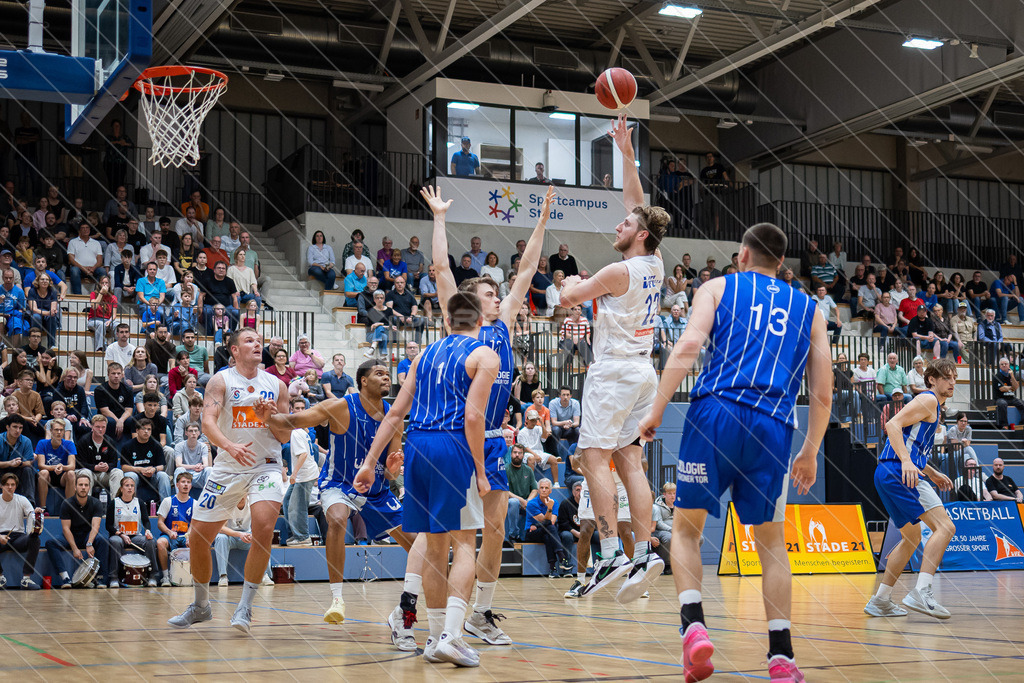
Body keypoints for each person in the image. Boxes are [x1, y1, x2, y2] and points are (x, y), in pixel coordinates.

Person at [638, 221, 831, 681]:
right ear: (781, 262)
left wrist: (655, 409)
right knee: (772, 546)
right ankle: (781, 656)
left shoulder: (718, 287)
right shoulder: (810, 308)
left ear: (742, 255)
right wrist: (810, 450)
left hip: (716, 414)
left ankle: (694, 626)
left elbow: (689, 344)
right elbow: (822, 391)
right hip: (773, 426)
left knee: (686, 531)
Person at [421, 181, 554, 647]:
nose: (499, 297)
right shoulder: (459, 325)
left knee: (493, 531)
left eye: (499, 293)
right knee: (451, 535)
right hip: (457, 438)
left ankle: (481, 614)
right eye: (490, 293)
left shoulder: (504, 325)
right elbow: (441, 268)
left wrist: (541, 221)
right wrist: (440, 218)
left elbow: (528, 269)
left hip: (495, 437)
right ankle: (427, 616)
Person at [556, 114, 667, 603]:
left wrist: (568, 282)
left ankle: (607, 554)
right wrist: (627, 152)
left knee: (592, 458)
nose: (619, 224)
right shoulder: (656, 261)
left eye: (626, 225)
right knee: (631, 463)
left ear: (639, 235)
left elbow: (567, 299)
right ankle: (643, 551)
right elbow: (634, 202)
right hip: (643, 373)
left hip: (614, 371)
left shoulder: (618, 271)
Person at [354, 292, 498, 667]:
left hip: (416, 444)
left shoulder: (424, 355)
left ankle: (434, 638)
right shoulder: (485, 355)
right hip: (453, 446)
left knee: (434, 547)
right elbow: (473, 417)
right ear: (479, 321)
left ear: (447, 321)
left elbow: (394, 414)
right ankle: (452, 635)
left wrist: (369, 462)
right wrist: (481, 470)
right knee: (464, 542)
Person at [267, 361, 421, 635]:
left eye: (388, 374)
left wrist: (393, 467)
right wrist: (267, 417)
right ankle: (337, 599)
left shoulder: (394, 415)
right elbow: (294, 422)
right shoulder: (340, 406)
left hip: (376, 491)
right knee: (338, 519)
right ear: (363, 381)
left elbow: (389, 472)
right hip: (340, 484)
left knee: (421, 549)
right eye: (379, 373)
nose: (386, 378)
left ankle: (405, 609)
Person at [168, 328, 290, 633]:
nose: (257, 344)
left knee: (263, 528)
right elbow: (207, 422)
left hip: (266, 466)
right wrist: (229, 445)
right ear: (234, 350)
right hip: (227, 466)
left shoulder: (277, 385)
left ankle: (245, 607)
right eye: (249, 341)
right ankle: (201, 606)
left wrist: (268, 419)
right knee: (197, 538)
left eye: (259, 341)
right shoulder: (221, 380)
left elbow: (285, 436)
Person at [865, 358, 957, 621]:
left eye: (954, 377)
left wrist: (932, 472)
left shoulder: (933, 406)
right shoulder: (928, 399)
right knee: (945, 528)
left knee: (911, 537)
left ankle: (881, 600)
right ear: (932, 380)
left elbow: (911, 444)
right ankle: (922, 591)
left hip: (888, 472)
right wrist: (906, 461)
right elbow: (892, 425)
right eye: (946, 377)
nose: (952, 382)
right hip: (899, 471)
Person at [44, 473, 110, 588]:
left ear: (89, 487)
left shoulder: (96, 503)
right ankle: (65, 578)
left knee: (103, 540)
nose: (83, 487)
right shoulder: (67, 503)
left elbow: (95, 526)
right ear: (75, 487)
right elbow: (66, 528)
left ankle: (100, 578)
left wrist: (89, 543)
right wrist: (74, 548)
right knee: (50, 543)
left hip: (88, 535)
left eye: (86, 485)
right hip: (71, 535)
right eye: (80, 485)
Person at [105, 476, 158, 588]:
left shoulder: (139, 502)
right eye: (127, 485)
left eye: (132, 486)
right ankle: (114, 577)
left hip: (135, 537)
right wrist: (121, 534)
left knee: (151, 541)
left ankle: (152, 575)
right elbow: (108, 526)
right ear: (121, 488)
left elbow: (146, 521)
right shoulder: (114, 503)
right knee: (115, 541)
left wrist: (148, 531)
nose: (130, 488)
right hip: (119, 536)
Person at [0, 472, 43, 588]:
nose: (10, 487)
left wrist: (36, 512)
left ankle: (26, 579)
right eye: (7, 484)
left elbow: (31, 513)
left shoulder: (22, 499)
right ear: (1, 486)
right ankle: (0, 578)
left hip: (18, 537)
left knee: (35, 539)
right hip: (1, 536)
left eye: (13, 485)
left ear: (15, 486)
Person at [523, 478, 571, 577]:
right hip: (531, 533)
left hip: (545, 531)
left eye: (546, 488)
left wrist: (537, 525)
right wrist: (549, 508)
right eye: (541, 488)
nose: (544, 490)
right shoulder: (531, 503)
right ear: (538, 490)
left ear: (550, 491)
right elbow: (545, 521)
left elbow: (551, 522)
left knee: (548, 535)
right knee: (550, 528)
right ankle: (562, 558)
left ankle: (553, 569)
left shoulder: (555, 502)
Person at [120, 417, 172, 504]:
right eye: (143, 429)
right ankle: (131, 505)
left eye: (149, 429)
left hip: (152, 476)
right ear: (137, 430)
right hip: (136, 475)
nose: (146, 431)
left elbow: (161, 466)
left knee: (163, 476)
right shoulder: (127, 446)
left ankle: (166, 506)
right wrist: (140, 469)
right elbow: (124, 467)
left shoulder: (156, 445)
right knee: (130, 476)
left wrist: (154, 469)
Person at [155, 471, 194, 586]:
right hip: (170, 535)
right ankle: (165, 576)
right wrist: (169, 532)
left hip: (185, 536)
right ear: (177, 485)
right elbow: (160, 523)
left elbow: (193, 525)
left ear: (191, 485)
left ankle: (192, 576)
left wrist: (189, 536)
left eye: (188, 482)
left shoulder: (195, 503)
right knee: (160, 543)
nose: (186, 484)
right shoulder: (168, 501)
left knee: (198, 543)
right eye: (183, 482)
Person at [76, 415, 122, 498]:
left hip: (104, 475)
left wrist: (107, 466)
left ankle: (116, 503)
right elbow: (79, 463)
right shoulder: (83, 441)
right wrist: (95, 467)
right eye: (97, 427)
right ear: (92, 427)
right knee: (84, 472)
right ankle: (86, 503)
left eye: (103, 427)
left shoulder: (110, 441)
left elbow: (114, 462)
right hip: (89, 473)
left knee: (118, 472)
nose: (100, 429)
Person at [34, 417, 76, 507]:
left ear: (64, 431)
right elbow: (41, 465)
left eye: (61, 430)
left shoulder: (69, 444)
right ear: (51, 431)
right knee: (43, 473)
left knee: (71, 473)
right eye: (56, 430)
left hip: (62, 476)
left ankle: (69, 508)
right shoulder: (42, 443)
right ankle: (43, 508)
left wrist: (62, 467)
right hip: (48, 475)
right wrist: (55, 467)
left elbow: (72, 466)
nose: (59, 432)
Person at [0, 415, 35, 503]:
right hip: (1, 470)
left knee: (28, 470)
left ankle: (30, 502)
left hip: (18, 470)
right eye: (15, 427)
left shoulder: (26, 441)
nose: (18, 430)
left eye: (20, 428)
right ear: (7, 427)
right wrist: (9, 463)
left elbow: (29, 462)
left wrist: (20, 463)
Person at [173, 421, 210, 494]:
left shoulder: (203, 446)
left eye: (195, 431)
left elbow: (206, 464)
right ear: (186, 433)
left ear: (199, 433)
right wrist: (194, 467)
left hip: (199, 476)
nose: (193, 433)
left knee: (209, 469)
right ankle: (178, 497)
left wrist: (201, 466)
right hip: (185, 475)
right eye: (191, 431)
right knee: (179, 470)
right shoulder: (179, 446)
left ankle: (208, 497)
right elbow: (178, 464)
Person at [993, 357, 1024, 429]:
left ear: (1009, 365)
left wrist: (1012, 376)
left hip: (1011, 398)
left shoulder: (1011, 375)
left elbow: (1016, 387)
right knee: (1002, 404)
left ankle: (1022, 424)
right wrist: (1012, 387)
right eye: (1002, 364)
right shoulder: (997, 376)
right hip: (1000, 398)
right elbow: (1002, 389)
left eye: (1005, 364)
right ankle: (1004, 425)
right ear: (1000, 366)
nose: (1004, 365)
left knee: (1022, 403)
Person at [651, 481, 675, 571]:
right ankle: (666, 564)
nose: (672, 496)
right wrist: (672, 530)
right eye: (670, 493)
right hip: (662, 530)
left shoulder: (679, 505)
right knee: (669, 538)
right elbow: (659, 524)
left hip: (675, 530)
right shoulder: (657, 506)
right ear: (664, 494)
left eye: (674, 493)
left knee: (699, 538)